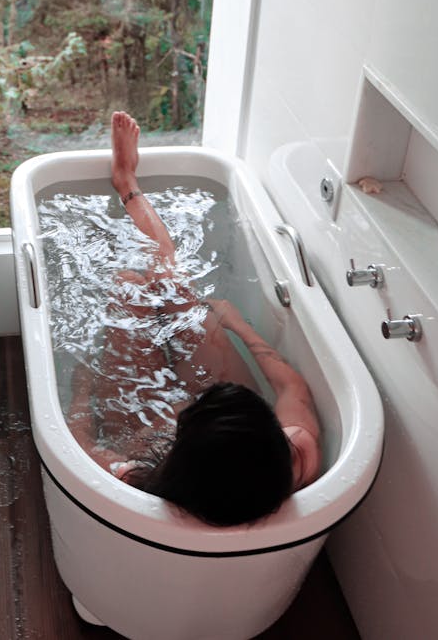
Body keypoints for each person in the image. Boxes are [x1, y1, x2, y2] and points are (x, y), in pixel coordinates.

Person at [68, 111, 321, 527]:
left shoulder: (142, 479)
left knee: (130, 288)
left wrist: (82, 391)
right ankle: (127, 182)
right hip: (217, 449)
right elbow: (293, 387)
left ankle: (127, 184)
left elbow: (78, 445)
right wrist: (240, 325)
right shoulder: (297, 456)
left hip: (146, 430)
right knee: (171, 287)